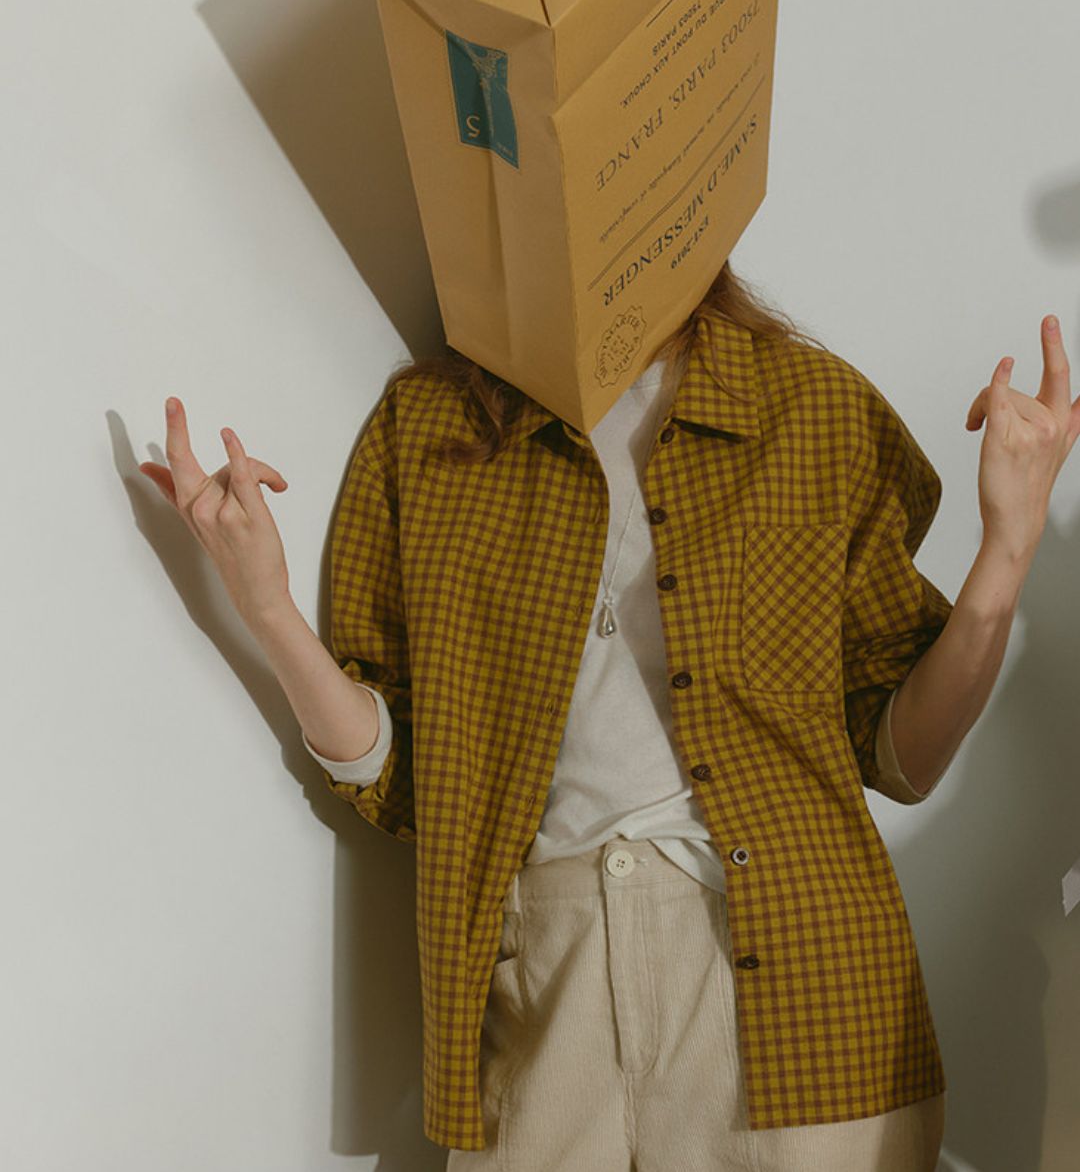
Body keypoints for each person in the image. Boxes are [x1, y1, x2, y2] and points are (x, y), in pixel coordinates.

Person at [139, 259, 1080, 1171]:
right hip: (542, 985)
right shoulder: (428, 426)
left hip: (797, 983)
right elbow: (409, 777)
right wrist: (265, 607)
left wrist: (1010, 542)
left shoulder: (812, 405)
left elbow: (904, 758)